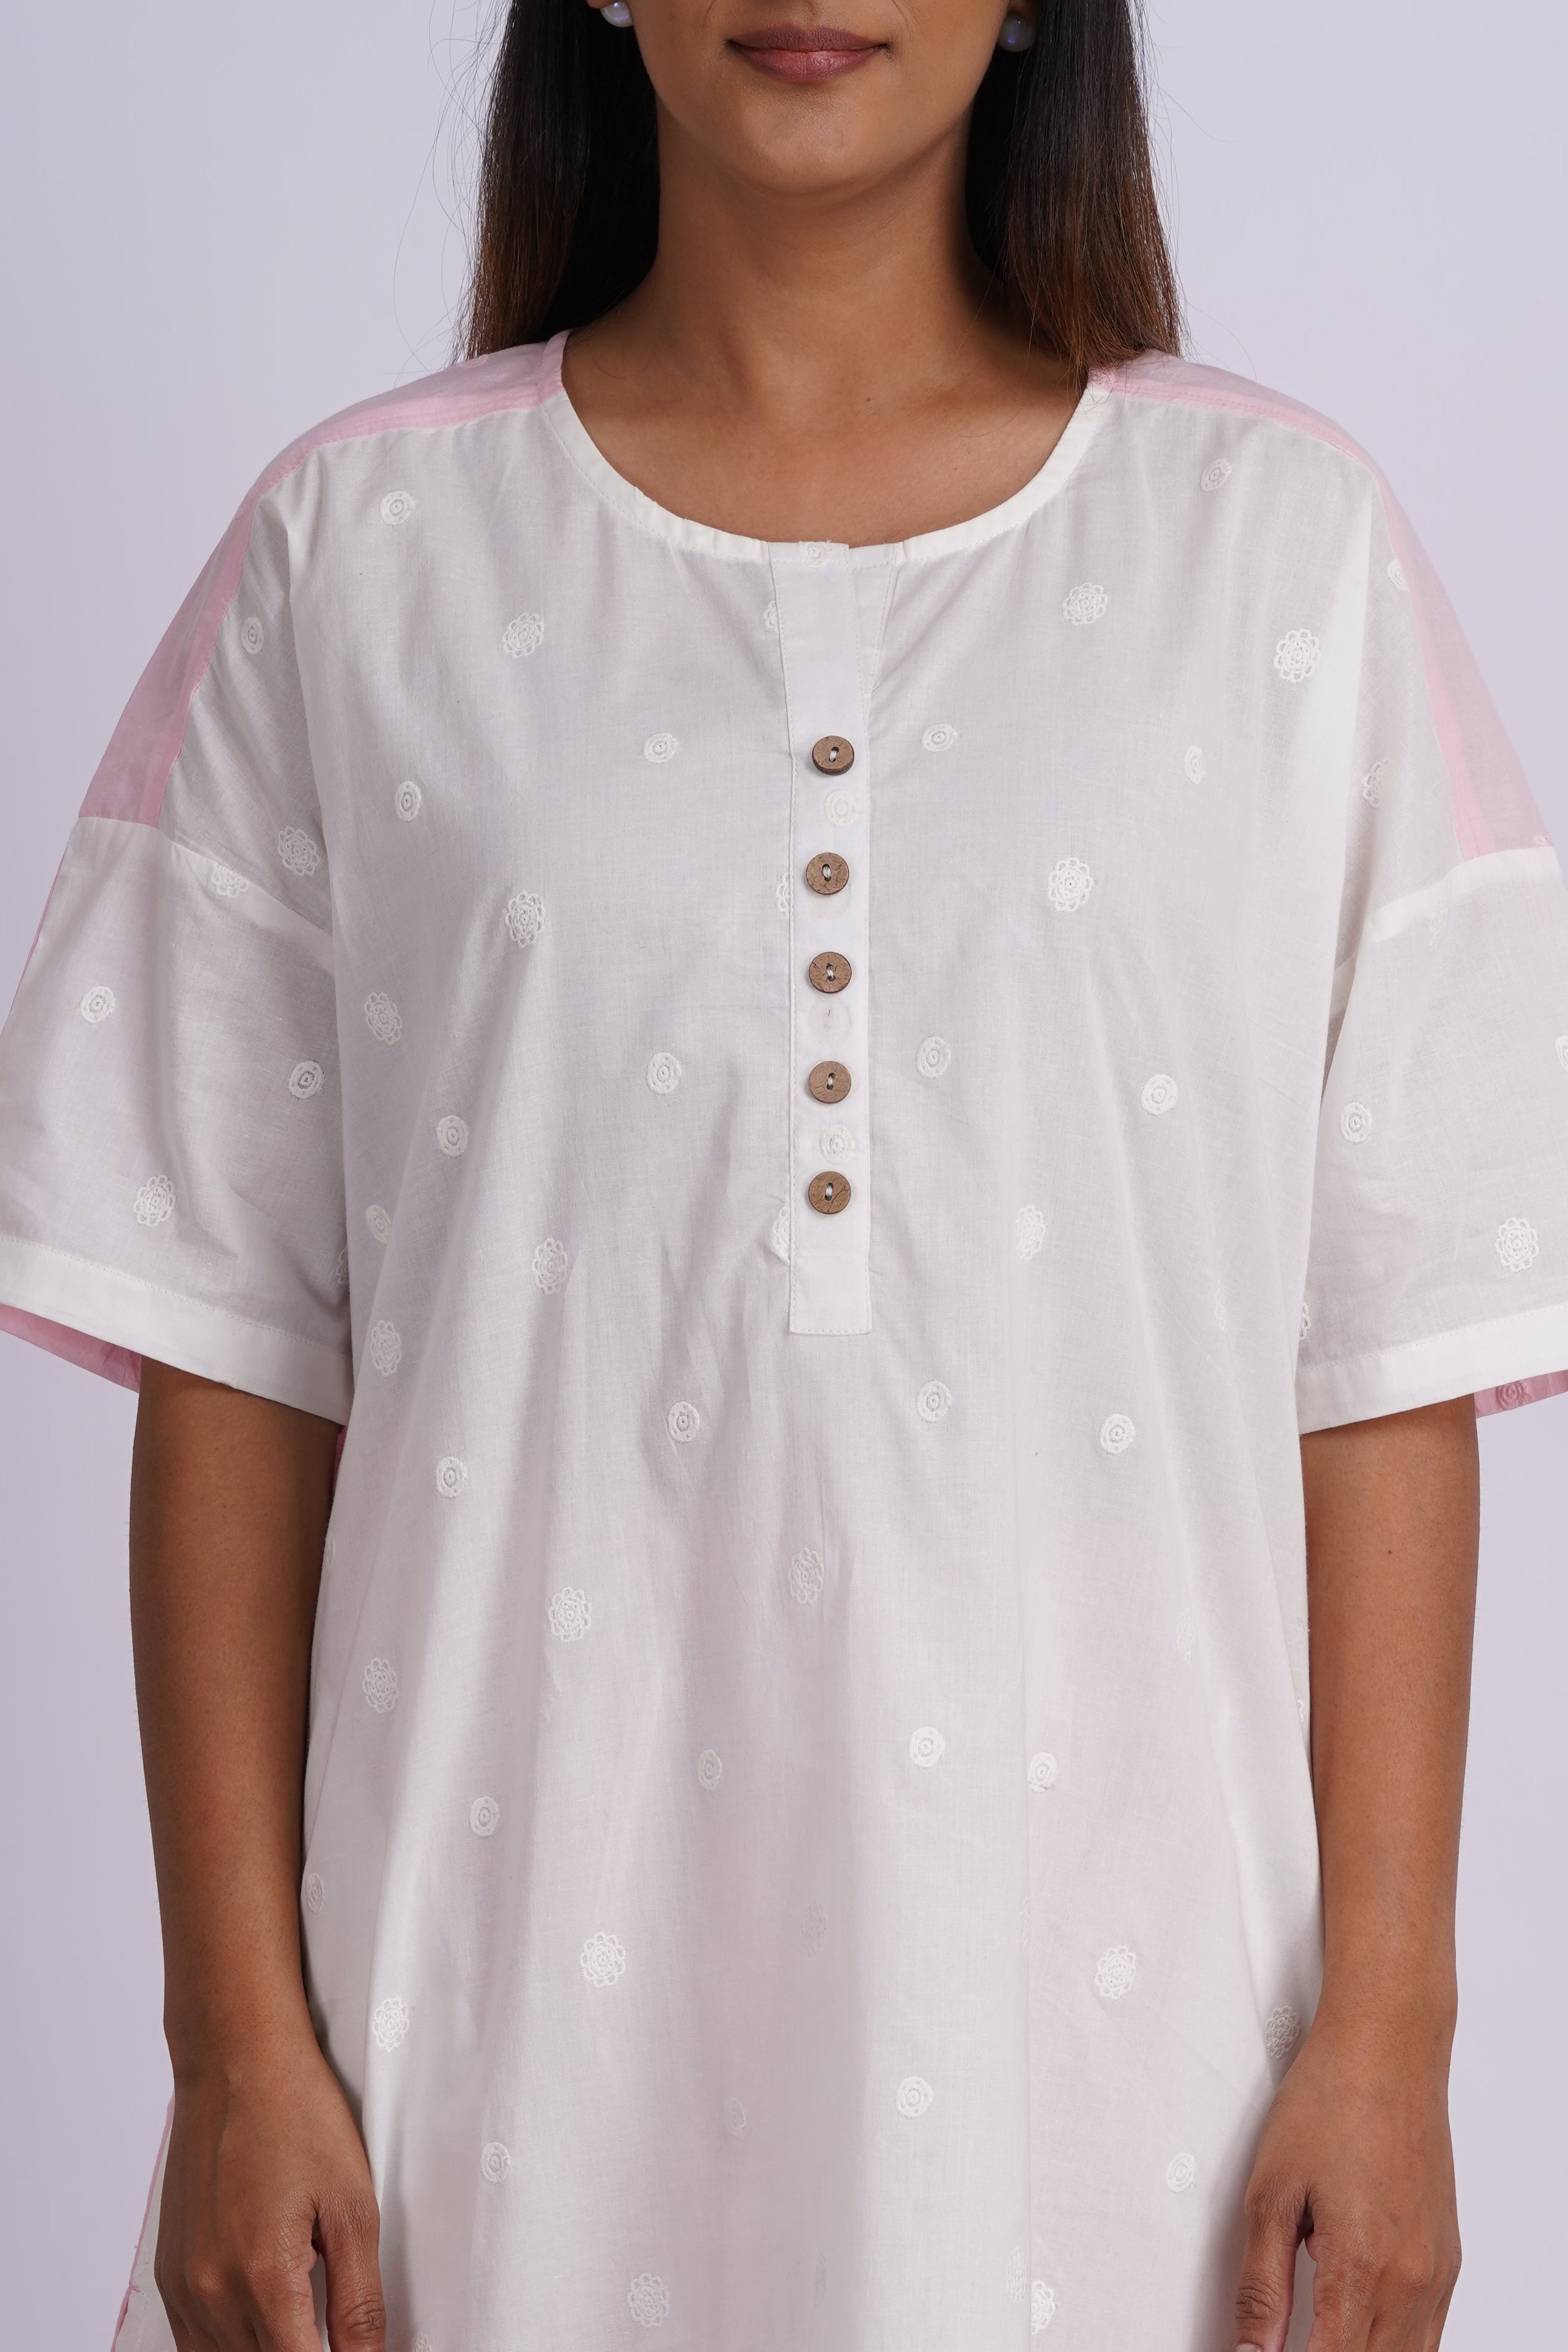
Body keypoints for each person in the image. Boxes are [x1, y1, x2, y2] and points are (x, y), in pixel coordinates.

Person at [1, 1, 1565, 2346]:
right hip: (481, 2066)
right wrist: (229, 2045)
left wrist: (1396, 2034)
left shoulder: (1279, 551)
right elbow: (234, 1350)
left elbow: (1379, 1368)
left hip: (1130, 2078)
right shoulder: (359, 550)